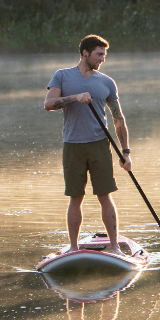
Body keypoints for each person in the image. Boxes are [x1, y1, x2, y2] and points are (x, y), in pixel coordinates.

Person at [44, 34, 132, 255]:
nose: (103, 59)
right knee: (76, 197)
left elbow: (118, 118)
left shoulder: (106, 82)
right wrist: (75, 97)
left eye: (104, 55)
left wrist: (126, 152)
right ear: (85, 52)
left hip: (99, 145)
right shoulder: (62, 76)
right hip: (73, 146)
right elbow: (48, 104)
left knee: (105, 196)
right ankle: (73, 249)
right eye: (99, 54)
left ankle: (114, 248)